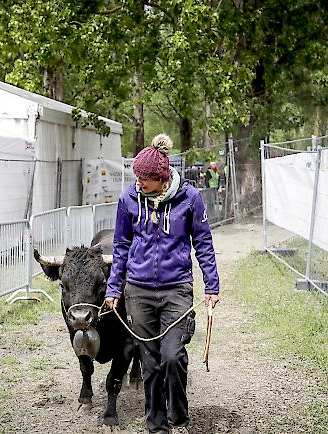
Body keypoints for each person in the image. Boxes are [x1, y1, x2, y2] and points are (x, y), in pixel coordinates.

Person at [105, 133, 220, 434]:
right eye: (137, 177)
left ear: (162, 177)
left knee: (171, 356)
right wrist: (114, 288)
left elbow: (204, 243)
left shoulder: (190, 198)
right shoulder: (128, 199)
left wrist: (212, 286)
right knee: (150, 362)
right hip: (139, 291)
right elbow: (120, 246)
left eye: (145, 179)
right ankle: (157, 426)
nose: (138, 183)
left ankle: (178, 412)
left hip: (177, 289)